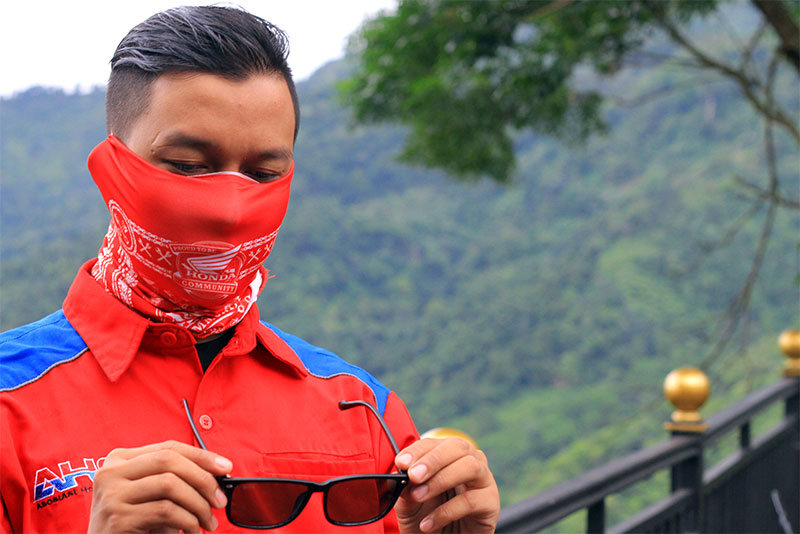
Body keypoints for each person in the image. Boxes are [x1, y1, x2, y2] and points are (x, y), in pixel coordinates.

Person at [0, 5, 499, 533]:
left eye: (263, 174)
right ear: (112, 168)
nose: (230, 208)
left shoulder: (362, 409)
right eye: (188, 166)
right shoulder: (11, 405)